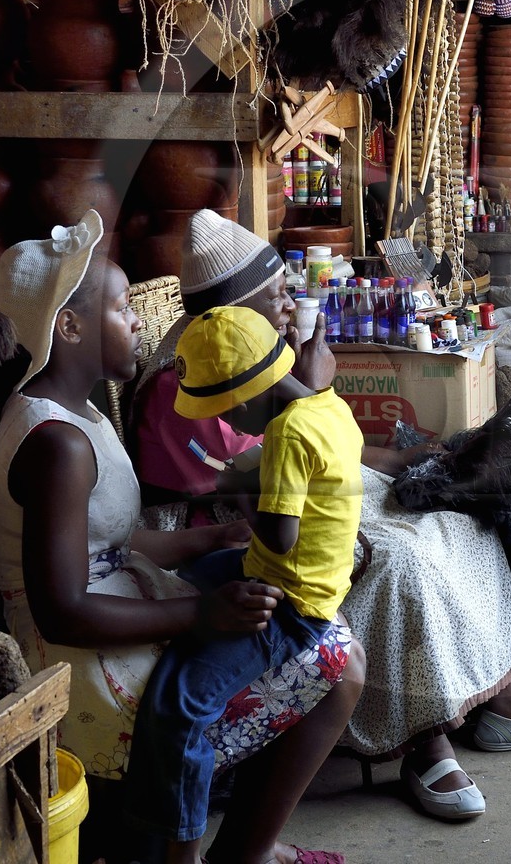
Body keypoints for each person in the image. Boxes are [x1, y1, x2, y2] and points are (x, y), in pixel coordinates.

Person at [128, 210, 511, 823]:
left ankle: (499, 700)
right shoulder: (187, 384)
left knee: (452, 518)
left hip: (295, 492)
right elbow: (252, 477)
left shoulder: (271, 362)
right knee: (393, 555)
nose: (289, 306)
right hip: (233, 516)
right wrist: (304, 394)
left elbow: (320, 442)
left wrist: (399, 455)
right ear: (238, 315)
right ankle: (421, 741)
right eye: (274, 298)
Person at [0, 211, 359, 864]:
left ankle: (242, 850)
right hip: (81, 652)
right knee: (337, 664)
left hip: (119, 604)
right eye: (124, 307)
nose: (139, 322)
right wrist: (200, 613)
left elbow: (111, 543)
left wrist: (218, 541)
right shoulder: (57, 444)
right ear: (69, 327)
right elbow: (61, 606)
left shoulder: (79, 415)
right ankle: (224, 852)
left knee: (328, 644)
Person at [121, 305, 363, 860]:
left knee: (179, 704)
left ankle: (177, 847)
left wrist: (236, 488)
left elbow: (279, 536)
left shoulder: (284, 433)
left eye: (230, 413)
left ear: (253, 395)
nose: (230, 427)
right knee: (178, 579)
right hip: (300, 577)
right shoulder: (329, 408)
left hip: (289, 603)